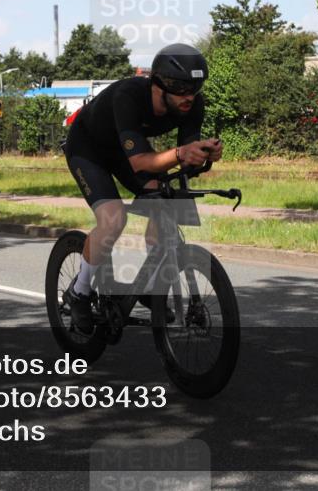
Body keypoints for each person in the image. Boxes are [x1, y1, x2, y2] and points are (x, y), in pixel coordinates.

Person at [62, 43, 223, 333]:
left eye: (195, 89)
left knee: (164, 203)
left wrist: (201, 156)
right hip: (89, 148)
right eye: (181, 89)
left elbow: (184, 157)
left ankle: (148, 285)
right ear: (159, 85)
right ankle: (80, 292)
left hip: (126, 150)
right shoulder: (129, 96)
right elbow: (140, 162)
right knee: (113, 219)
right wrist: (180, 154)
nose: (189, 97)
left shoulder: (192, 104)